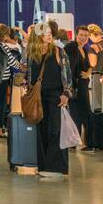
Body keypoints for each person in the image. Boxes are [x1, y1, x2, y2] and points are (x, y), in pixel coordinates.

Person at [27, 23, 71, 179]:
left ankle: (57, 168)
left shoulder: (59, 51)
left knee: (56, 131)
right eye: (45, 32)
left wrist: (66, 93)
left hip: (56, 97)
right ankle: (44, 166)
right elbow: (30, 75)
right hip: (39, 98)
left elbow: (67, 74)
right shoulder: (33, 54)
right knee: (41, 132)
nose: (49, 34)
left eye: (49, 32)